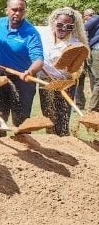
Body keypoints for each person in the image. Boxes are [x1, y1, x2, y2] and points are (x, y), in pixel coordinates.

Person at [0, 0, 44, 132]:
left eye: (21, 10)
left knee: (21, 122)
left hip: (23, 80)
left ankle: (26, 150)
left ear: (24, 11)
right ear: (6, 10)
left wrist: (30, 71)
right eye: (14, 9)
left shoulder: (31, 33)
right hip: (1, 78)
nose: (17, 13)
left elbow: (39, 60)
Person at [38, 8, 88, 136]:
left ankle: (63, 145)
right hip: (45, 82)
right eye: (60, 25)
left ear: (73, 27)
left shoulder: (75, 45)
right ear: (53, 22)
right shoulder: (42, 37)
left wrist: (62, 80)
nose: (63, 28)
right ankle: (51, 143)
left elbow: (73, 69)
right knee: (49, 118)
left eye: (68, 26)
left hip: (65, 84)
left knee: (62, 120)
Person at [75, 8, 95, 109]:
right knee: (79, 79)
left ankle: (95, 104)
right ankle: (79, 104)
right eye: (88, 15)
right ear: (84, 16)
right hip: (81, 54)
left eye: (91, 15)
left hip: (91, 54)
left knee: (93, 79)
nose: (89, 17)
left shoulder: (95, 26)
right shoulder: (79, 28)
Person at [82, 8, 99, 112]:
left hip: (96, 51)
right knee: (94, 79)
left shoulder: (95, 18)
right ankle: (95, 107)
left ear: (88, 15)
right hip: (93, 51)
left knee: (97, 81)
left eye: (85, 17)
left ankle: (91, 108)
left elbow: (83, 27)